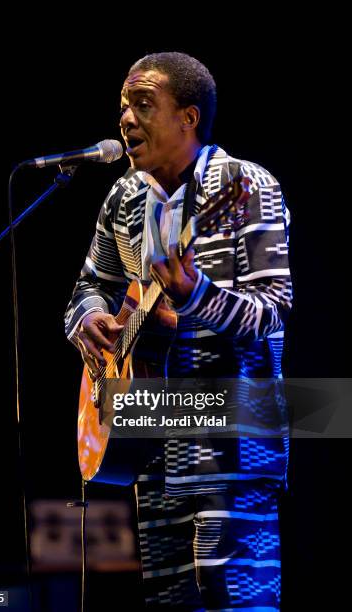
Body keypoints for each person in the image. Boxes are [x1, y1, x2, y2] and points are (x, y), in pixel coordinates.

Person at [64, 52, 292, 611]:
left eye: (144, 105)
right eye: (123, 107)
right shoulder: (124, 197)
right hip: (150, 442)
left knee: (231, 598)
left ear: (189, 118)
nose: (126, 119)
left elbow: (273, 314)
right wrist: (90, 319)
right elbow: (88, 287)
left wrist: (196, 296)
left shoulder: (245, 187)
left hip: (232, 442)